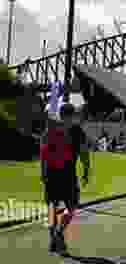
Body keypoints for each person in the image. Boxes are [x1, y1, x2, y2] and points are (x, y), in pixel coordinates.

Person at [40, 103, 90, 254]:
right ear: (73, 115)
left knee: (52, 208)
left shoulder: (50, 130)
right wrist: (86, 169)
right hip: (67, 174)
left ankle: (53, 238)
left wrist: (42, 172)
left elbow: (43, 153)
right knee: (71, 206)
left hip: (51, 173)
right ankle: (59, 234)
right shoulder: (77, 131)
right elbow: (84, 152)